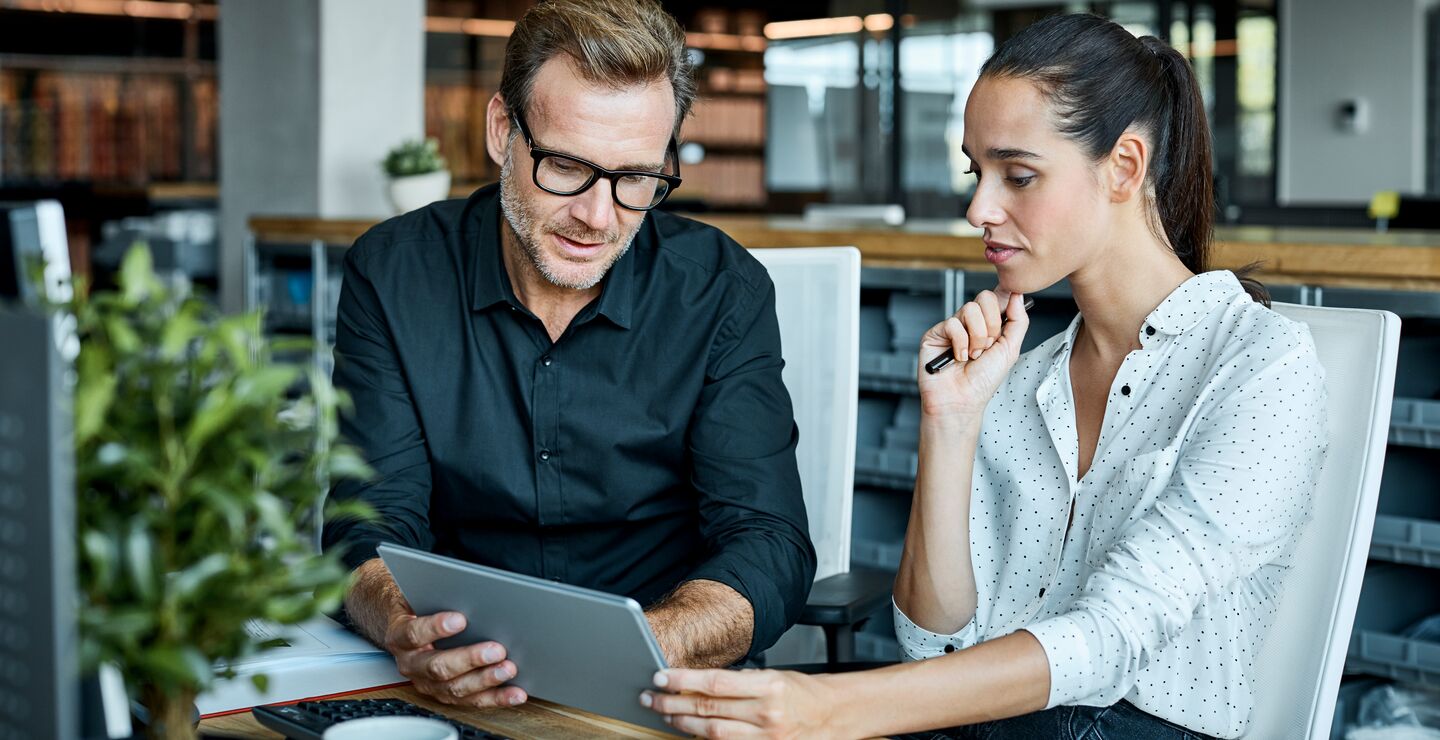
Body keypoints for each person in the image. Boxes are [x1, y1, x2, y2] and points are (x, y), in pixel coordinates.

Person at [642, 13, 1327, 740]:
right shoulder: (1019, 377)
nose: (979, 209)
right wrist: (951, 423)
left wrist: (831, 708)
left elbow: (1112, 638)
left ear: (1124, 167)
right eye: (977, 172)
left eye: (1019, 175)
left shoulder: (1261, 367)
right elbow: (932, 641)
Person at [321, 0, 816, 711]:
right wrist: (405, 627)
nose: (599, 216)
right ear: (502, 131)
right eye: (566, 167)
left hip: (660, 684)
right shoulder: (394, 273)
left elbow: (768, 543)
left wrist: (651, 643)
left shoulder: (721, 292)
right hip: (455, 681)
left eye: (637, 178)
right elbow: (366, 523)